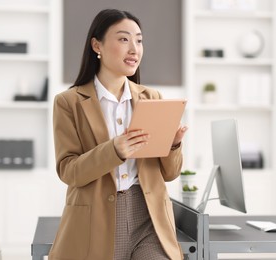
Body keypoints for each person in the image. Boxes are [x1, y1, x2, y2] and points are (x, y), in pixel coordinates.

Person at [49, 9, 187, 260]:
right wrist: (114, 151)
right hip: (95, 221)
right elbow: (68, 171)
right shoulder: (68, 102)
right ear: (96, 45)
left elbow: (169, 173)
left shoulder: (151, 98)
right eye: (124, 39)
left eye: (139, 40)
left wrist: (173, 146)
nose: (134, 49)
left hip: (148, 219)